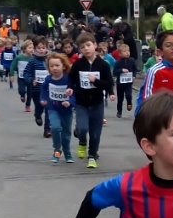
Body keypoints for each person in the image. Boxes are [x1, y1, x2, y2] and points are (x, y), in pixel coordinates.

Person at [68, 34, 114, 168]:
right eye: (82, 47)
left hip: (97, 103)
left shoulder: (103, 65)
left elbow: (109, 83)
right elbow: (71, 79)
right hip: (81, 103)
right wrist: (70, 88)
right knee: (82, 128)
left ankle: (92, 155)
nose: (86, 49)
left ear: (95, 45)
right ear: (79, 50)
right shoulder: (78, 64)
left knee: (95, 133)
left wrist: (97, 82)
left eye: (88, 45)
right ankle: (82, 141)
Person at [135, 30, 173, 113]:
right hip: (158, 112)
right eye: (169, 45)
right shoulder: (154, 71)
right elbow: (147, 98)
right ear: (160, 52)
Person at [40, 52, 75, 162]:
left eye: (57, 65)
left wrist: (69, 102)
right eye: (51, 66)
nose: (54, 68)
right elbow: (44, 90)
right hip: (53, 108)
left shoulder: (68, 79)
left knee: (66, 133)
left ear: (63, 66)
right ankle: (57, 149)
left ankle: (67, 152)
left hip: (66, 110)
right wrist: (43, 99)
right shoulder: (48, 79)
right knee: (55, 128)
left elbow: (74, 94)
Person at [24, 39, 51, 137]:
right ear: (35, 49)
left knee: (49, 109)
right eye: (39, 48)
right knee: (39, 107)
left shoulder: (50, 59)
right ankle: (37, 115)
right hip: (37, 90)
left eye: (43, 48)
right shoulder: (32, 61)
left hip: (49, 90)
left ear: (47, 48)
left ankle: (47, 130)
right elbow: (26, 73)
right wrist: (31, 80)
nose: (41, 50)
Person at [112, 41, 137, 117]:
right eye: (125, 51)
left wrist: (134, 76)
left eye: (128, 51)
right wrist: (121, 70)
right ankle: (119, 111)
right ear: (120, 54)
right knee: (120, 98)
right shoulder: (118, 62)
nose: (127, 53)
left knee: (129, 95)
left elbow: (135, 69)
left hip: (128, 82)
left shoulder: (132, 60)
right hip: (120, 83)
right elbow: (114, 72)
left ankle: (129, 104)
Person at [15, 40, 35, 112]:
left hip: (30, 78)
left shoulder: (33, 58)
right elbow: (13, 65)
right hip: (21, 77)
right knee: (21, 90)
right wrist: (11, 74)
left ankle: (28, 105)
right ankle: (22, 95)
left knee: (30, 92)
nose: (31, 49)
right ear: (24, 49)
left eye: (32, 48)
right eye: (29, 48)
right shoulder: (19, 57)